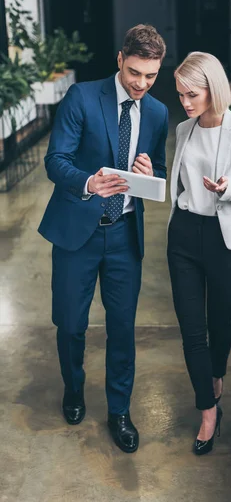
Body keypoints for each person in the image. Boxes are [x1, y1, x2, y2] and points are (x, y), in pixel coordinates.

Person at [38, 24, 168, 454]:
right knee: (71, 324)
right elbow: (55, 160)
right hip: (78, 233)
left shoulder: (158, 113)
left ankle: (120, 411)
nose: (141, 84)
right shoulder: (82, 97)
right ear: (120, 59)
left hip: (124, 237)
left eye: (150, 76)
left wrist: (153, 177)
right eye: (135, 73)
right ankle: (73, 390)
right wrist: (90, 183)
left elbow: (161, 173)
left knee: (122, 330)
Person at [167, 52, 231, 455]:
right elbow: (181, 185)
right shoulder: (183, 129)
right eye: (180, 95)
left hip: (227, 239)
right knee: (192, 330)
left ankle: (217, 373)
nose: (185, 103)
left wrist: (229, 189)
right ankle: (208, 411)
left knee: (219, 323)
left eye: (192, 94)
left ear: (213, 89)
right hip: (185, 236)